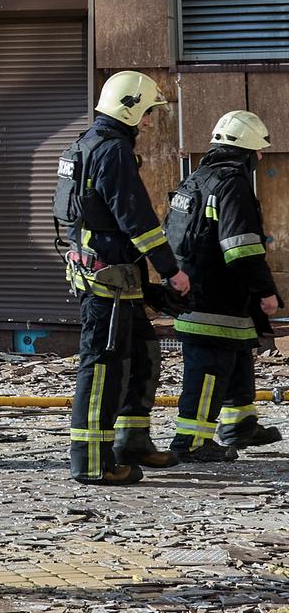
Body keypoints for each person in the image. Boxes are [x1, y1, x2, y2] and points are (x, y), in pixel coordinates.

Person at [63, 71, 191, 486]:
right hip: (108, 281)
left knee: (143, 355)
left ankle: (132, 443)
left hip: (117, 278)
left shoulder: (87, 145)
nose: (150, 122)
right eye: (148, 112)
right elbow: (137, 220)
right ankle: (91, 462)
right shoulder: (112, 151)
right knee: (103, 366)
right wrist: (171, 271)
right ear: (130, 108)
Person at [166, 110, 283, 462]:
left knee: (235, 361)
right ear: (247, 151)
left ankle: (240, 426)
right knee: (209, 371)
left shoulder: (197, 179)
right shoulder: (232, 184)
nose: (261, 157)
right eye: (258, 150)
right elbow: (242, 249)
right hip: (215, 299)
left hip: (199, 294)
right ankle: (192, 442)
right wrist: (266, 292)